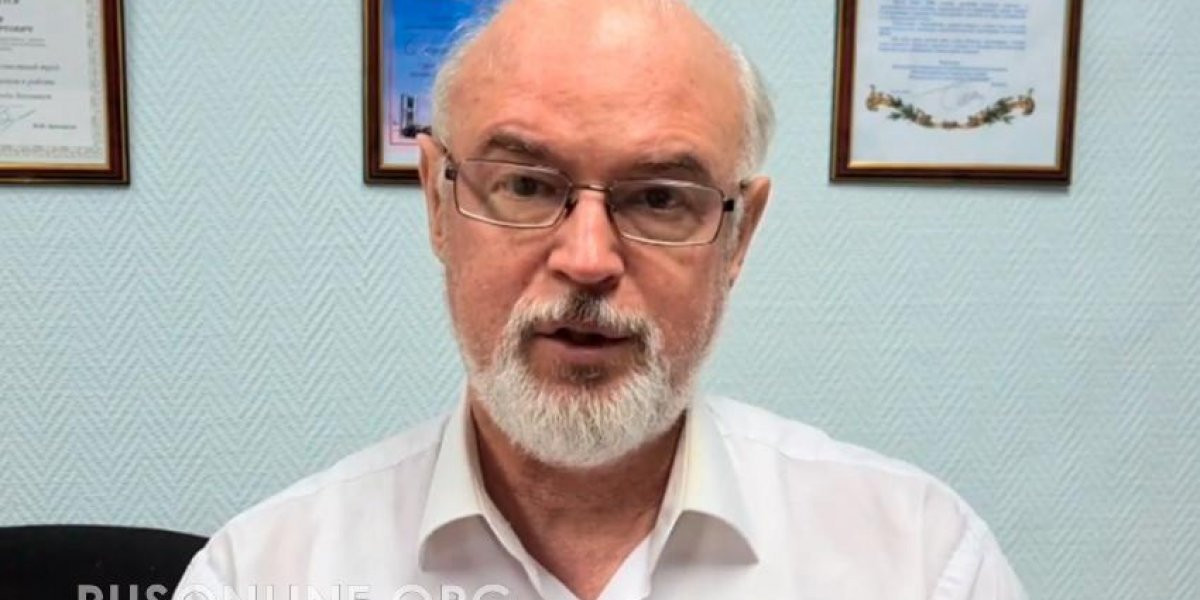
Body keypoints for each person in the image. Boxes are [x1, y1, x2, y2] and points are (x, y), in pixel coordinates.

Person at [175, 0, 1025, 598]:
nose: (587, 260)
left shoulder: (921, 563)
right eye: (525, 185)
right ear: (438, 203)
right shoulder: (262, 575)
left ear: (738, 237)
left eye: (659, 198)